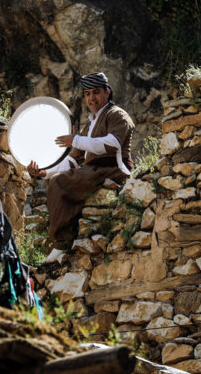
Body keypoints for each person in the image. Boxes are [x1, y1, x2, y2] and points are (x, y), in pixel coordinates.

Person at [27, 72, 134, 262]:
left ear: (107, 92)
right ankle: (64, 242)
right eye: (87, 94)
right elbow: (74, 160)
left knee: (60, 182)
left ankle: (60, 245)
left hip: (112, 170)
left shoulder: (117, 115)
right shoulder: (89, 125)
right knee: (54, 180)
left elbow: (112, 144)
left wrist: (76, 139)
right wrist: (44, 172)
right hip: (92, 171)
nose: (91, 98)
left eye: (96, 92)